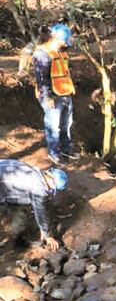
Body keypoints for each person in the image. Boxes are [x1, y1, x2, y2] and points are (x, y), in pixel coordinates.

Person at [33, 24, 77, 165]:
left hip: (65, 92)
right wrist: (47, 97)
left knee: (66, 124)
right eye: (65, 40)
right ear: (56, 38)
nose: (66, 43)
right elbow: (41, 78)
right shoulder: (42, 54)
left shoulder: (60, 52)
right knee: (53, 125)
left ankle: (66, 148)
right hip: (52, 96)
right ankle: (54, 152)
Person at [0, 159, 67, 251]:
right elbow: (39, 212)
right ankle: (16, 241)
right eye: (52, 189)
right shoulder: (38, 187)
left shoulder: (33, 171)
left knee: (20, 207)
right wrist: (47, 235)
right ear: (52, 183)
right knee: (18, 214)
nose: (50, 191)